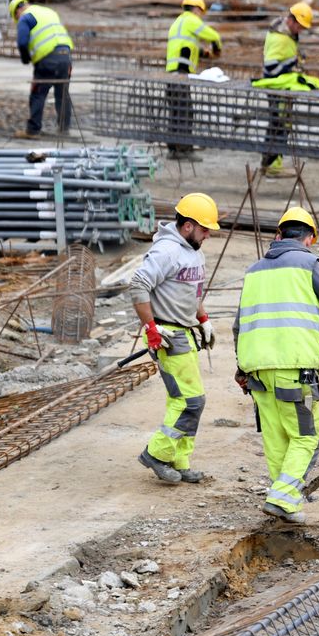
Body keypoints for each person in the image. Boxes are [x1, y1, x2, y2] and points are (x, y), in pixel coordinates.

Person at [233, 207, 319, 523]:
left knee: (276, 437)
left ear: (278, 235)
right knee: (307, 437)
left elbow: (238, 324)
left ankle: (286, 501)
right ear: (310, 238)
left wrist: (241, 368)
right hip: (295, 370)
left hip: (256, 371)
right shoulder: (308, 263)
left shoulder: (254, 270)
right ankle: (282, 498)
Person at [131, 192, 221, 485]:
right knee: (189, 401)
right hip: (168, 335)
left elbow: (192, 293)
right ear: (188, 226)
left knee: (188, 400)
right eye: (205, 228)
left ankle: (179, 460)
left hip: (185, 333)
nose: (208, 234)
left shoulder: (195, 253)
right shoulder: (166, 252)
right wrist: (151, 328)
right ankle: (156, 454)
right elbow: (138, 285)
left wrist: (203, 319)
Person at [251, 2, 319, 177]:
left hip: (281, 88)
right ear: (291, 21)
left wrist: (294, 58)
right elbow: (271, 69)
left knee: (278, 124)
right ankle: (272, 166)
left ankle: (269, 164)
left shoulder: (284, 33)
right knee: (279, 125)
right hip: (278, 88)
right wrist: (293, 62)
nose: (301, 30)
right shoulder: (280, 38)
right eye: (300, 26)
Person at [164, 0, 223, 162]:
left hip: (171, 73)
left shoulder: (178, 23)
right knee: (185, 112)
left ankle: (174, 149)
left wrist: (203, 52)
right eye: (200, 12)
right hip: (181, 74)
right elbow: (213, 35)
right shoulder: (191, 20)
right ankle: (184, 150)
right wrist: (216, 49)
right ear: (197, 9)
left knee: (176, 111)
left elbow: (185, 46)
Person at [10, 0, 74, 139]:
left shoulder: (26, 17)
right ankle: (64, 129)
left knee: (38, 93)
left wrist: (25, 58)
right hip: (66, 56)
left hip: (48, 59)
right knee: (62, 94)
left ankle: (33, 130)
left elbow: (22, 42)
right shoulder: (49, 12)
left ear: (17, 11)